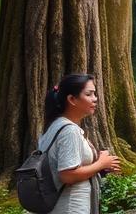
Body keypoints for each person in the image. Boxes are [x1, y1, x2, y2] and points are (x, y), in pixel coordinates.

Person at [31, 74, 121, 214]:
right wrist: (101, 163)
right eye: (89, 94)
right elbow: (68, 175)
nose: (95, 99)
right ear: (72, 99)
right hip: (69, 207)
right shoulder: (69, 131)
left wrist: (100, 168)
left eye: (94, 94)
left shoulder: (54, 126)